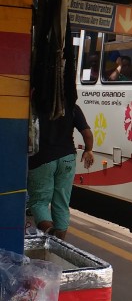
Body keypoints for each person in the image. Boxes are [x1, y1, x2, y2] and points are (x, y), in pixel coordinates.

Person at [27, 102, 94, 240]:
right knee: (62, 202)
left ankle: (51, 234)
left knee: (39, 203)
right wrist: (88, 150)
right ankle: (60, 242)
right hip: (67, 158)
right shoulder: (72, 107)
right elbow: (87, 133)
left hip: (42, 159)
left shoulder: (35, 107)